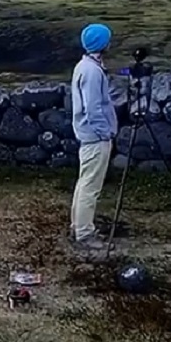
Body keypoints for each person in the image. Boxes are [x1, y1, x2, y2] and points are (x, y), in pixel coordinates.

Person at [69, 23, 119, 250]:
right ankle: (85, 233)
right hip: (95, 138)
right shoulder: (91, 71)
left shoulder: (85, 66)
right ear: (103, 44)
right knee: (91, 186)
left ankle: (77, 225)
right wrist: (105, 132)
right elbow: (93, 108)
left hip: (89, 136)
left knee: (84, 183)